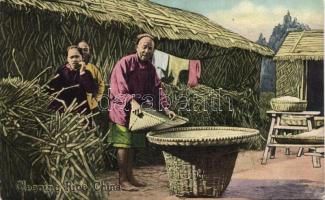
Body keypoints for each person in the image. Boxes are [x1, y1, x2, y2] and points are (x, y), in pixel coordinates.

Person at [108, 33, 176, 191]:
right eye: (144, 46)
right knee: (123, 145)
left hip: (139, 114)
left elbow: (157, 90)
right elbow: (118, 88)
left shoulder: (151, 69)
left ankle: (131, 177)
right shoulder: (125, 63)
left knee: (133, 145)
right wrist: (132, 101)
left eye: (150, 48)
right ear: (136, 47)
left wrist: (165, 108)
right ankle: (123, 179)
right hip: (121, 111)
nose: (147, 50)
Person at [48, 45, 96, 115]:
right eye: (71, 57)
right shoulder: (62, 71)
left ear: (82, 58)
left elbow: (91, 89)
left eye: (77, 57)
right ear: (67, 59)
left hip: (81, 109)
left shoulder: (86, 73)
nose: (74, 60)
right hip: (63, 109)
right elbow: (52, 87)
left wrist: (82, 73)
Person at [77, 41, 105, 112]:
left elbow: (101, 84)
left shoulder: (93, 68)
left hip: (91, 106)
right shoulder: (71, 68)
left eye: (85, 50)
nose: (83, 52)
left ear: (89, 52)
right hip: (75, 107)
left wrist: (96, 100)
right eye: (80, 50)